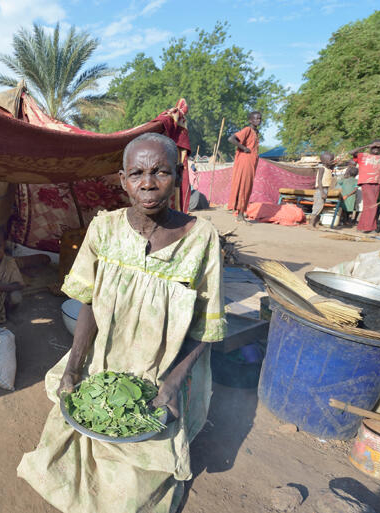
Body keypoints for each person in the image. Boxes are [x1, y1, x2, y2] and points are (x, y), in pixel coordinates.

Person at [17, 133, 225, 513]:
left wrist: (174, 382)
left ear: (177, 175)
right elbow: (90, 304)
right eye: (137, 173)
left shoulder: (203, 240)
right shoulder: (105, 230)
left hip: (163, 370)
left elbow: (205, 326)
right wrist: (74, 367)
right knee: (77, 446)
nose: (148, 183)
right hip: (104, 364)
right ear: (122, 179)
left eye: (161, 172)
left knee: (138, 477)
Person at [227, 111, 261, 222]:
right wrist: (243, 148)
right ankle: (240, 214)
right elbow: (231, 139)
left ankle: (241, 213)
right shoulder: (247, 130)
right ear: (250, 120)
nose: (258, 121)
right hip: (245, 162)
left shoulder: (256, 132)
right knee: (243, 186)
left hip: (251, 163)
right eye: (255, 119)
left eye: (259, 119)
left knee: (247, 187)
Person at [309, 151, 336, 228]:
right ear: (324, 161)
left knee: (321, 207)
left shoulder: (328, 169)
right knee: (317, 207)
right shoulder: (322, 168)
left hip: (325, 189)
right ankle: (311, 224)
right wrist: (322, 192)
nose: (332, 161)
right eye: (331, 160)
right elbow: (319, 181)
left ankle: (316, 223)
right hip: (320, 190)